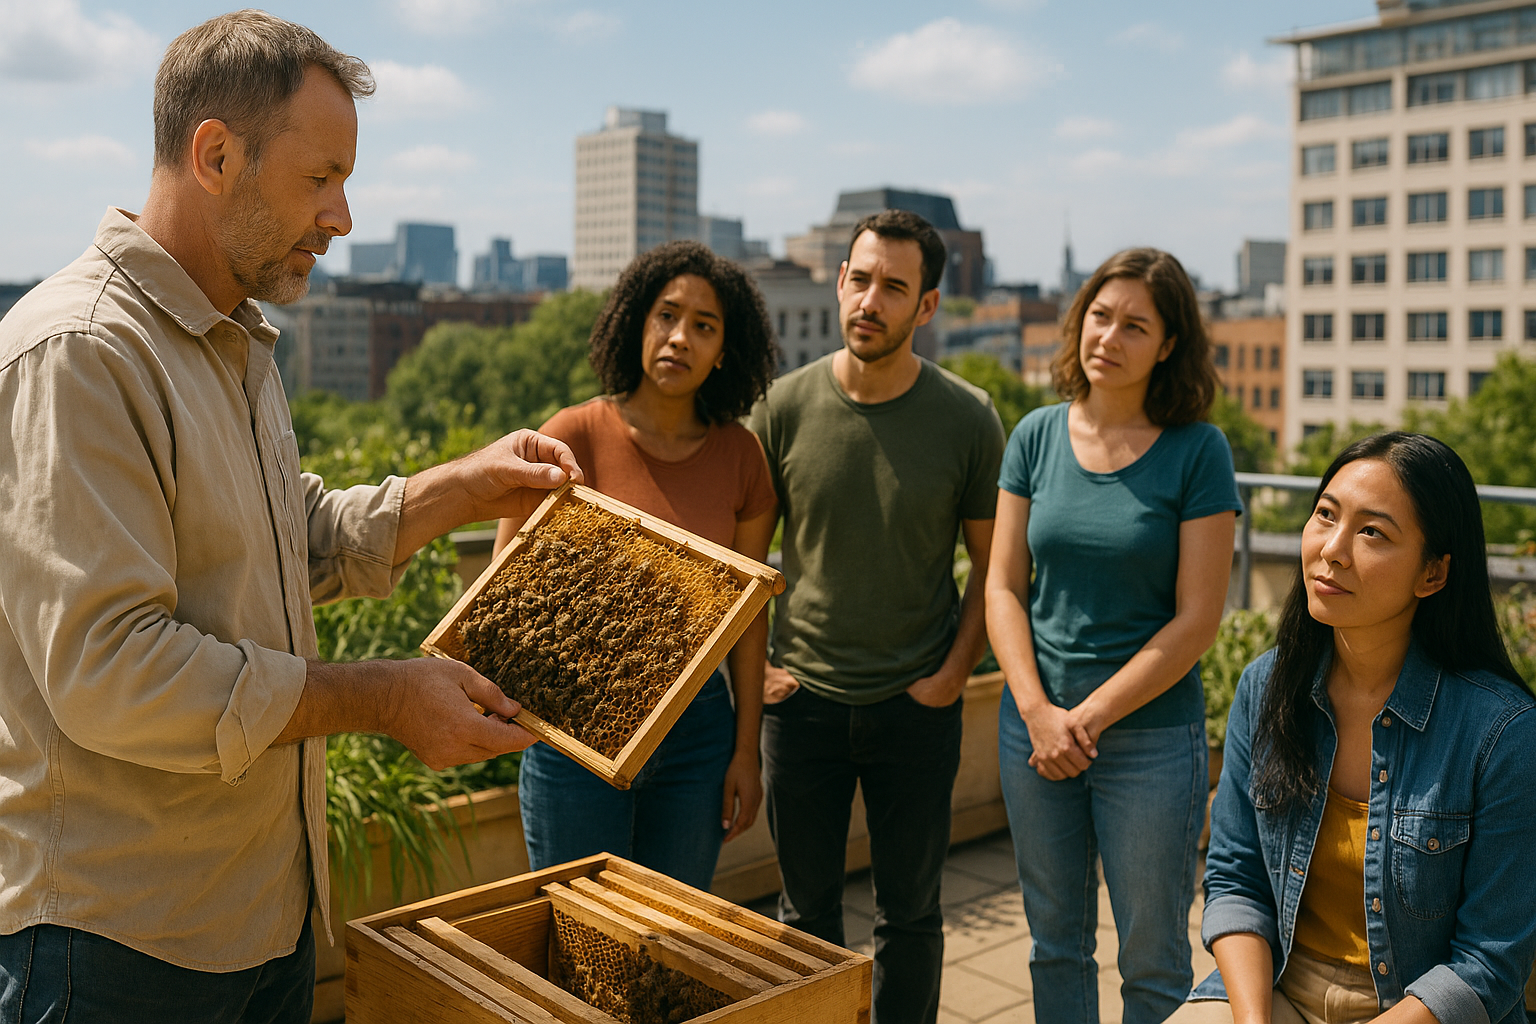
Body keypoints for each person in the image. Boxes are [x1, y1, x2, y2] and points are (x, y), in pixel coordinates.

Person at [0, 13, 578, 1022]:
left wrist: (460, 487)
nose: (343, 216)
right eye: (321, 179)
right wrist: (386, 697)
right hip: (113, 952)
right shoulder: (83, 353)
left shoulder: (234, 335)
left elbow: (275, 541)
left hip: (256, 922)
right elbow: (112, 669)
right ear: (215, 155)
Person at [1175, 433, 1536, 1024]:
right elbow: (1237, 881)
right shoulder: (1266, 688)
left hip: (1415, 1008)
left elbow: (1488, 964)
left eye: (1373, 532)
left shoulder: (1504, 733)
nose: (1332, 550)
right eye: (1325, 515)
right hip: (1281, 986)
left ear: (1434, 573)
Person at [747, 208, 1005, 1024]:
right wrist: (760, 674)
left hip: (914, 705)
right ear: (838, 282)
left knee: (912, 918)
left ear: (927, 307)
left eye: (895, 287)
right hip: (803, 705)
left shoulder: (968, 418)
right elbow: (745, 560)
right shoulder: (782, 408)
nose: (871, 300)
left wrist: (956, 674)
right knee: (804, 919)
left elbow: (995, 566)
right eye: (860, 279)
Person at [985, 248, 1240, 1024]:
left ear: (1168, 345)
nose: (1110, 336)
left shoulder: (1199, 450)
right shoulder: (1034, 435)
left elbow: (1198, 619)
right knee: (1054, 942)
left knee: (1152, 958)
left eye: (1136, 325)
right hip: (1034, 733)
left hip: (1149, 742)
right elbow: (1001, 586)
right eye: (1100, 315)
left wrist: (1084, 720)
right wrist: (1038, 712)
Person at [493, 240, 778, 890]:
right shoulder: (572, 434)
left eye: (704, 326)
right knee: (575, 926)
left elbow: (748, 620)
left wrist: (745, 752)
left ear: (724, 350)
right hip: (572, 722)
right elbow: (504, 586)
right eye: (667, 315)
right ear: (636, 323)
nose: (681, 337)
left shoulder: (743, 457)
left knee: (669, 937)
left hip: (698, 732)